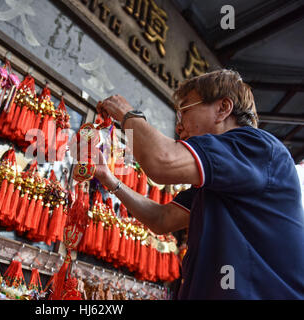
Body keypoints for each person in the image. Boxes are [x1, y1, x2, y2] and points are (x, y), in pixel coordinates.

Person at [92, 69, 304, 299]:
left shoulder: (256, 147)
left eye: (184, 111)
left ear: (223, 109)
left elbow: (162, 160)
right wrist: (110, 180)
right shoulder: (221, 179)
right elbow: (162, 219)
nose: (178, 126)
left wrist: (127, 114)